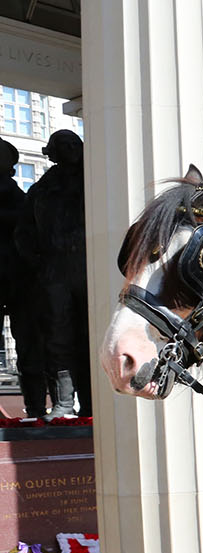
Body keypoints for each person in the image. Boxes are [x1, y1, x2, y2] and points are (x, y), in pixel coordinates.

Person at [14, 129, 88, 419]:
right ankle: (63, 403)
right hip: (54, 272)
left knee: (88, 334)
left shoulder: (94, 182)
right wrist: (38, 262)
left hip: (86, 268)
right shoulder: (41, 190)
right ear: (52, 152)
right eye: (62, 145)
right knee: (57, 337)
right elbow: (23, 232)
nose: (69, 149)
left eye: (73, 143)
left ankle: (92, 401)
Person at [0, 139, 45, 418]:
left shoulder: (20, 197)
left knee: (29, 346)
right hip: (17, 278)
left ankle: (37, 406)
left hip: (19, 279)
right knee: (29, 345)